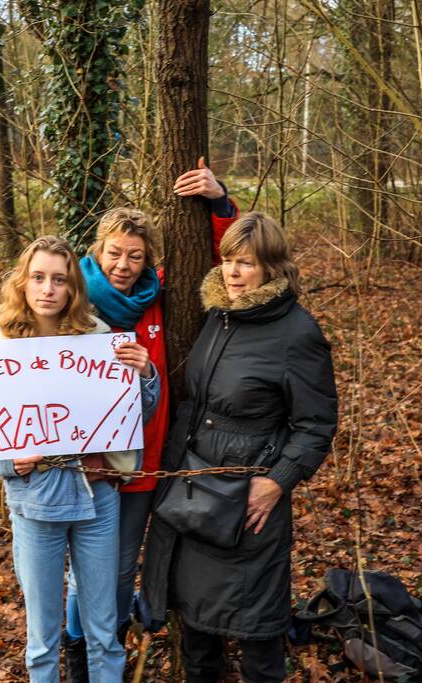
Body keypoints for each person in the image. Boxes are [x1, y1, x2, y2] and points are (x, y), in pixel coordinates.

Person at [60, 159, 239, 680]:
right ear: (97, 250)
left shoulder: (155, 298)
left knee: (117, 573)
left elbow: (218, 265)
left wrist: (220, 203)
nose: (123, 265)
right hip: (80, 463)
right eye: (114, 252)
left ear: (147, 260)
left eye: (135, 256)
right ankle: (76, 653)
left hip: (139, 461)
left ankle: (103, 653)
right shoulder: (71, 299)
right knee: (80, 575)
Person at [142, 212, 338, 683]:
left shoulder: (296, 332)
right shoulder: (220, 315)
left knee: (257, 627)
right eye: (228, 260)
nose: (232, 272)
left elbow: (316, 423)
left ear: (271, 268)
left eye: (246, 263)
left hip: (249, 499)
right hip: (193, 490)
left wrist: (277, 481)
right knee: (195, 624)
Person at [0, 235, 161, 683]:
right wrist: (11, 463)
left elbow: (136, 413)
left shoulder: (99, 338)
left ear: (72, 287)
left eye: (58, 279)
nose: (48, 288)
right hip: (36, 504)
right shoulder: (0, 346)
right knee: (41, 639)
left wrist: (145, 374)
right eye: (38, 278)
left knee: (104, 632)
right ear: (23, 283)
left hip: (97, 498)